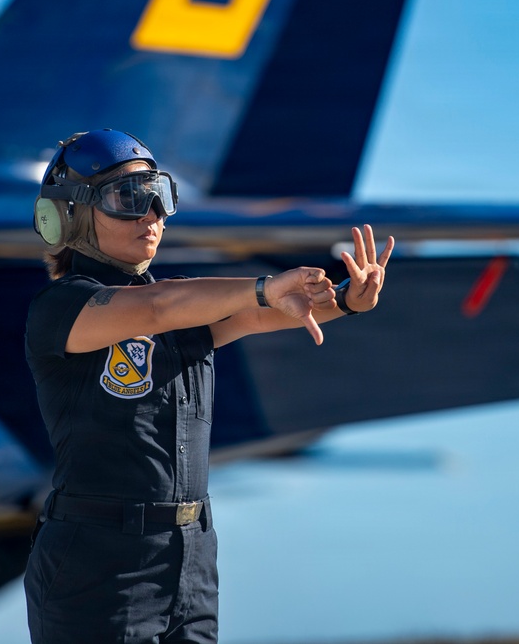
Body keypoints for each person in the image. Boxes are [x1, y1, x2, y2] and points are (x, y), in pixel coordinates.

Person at [23, 129, 394, 643]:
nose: (152, 216)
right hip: (97, 563)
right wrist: (264, 287)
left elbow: (260, 317)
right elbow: (157, 309)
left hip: (191, 556)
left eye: (160, 197)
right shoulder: (60, 309)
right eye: (128, 199)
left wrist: (349, 300)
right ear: (70, 215)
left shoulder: (185, 307)